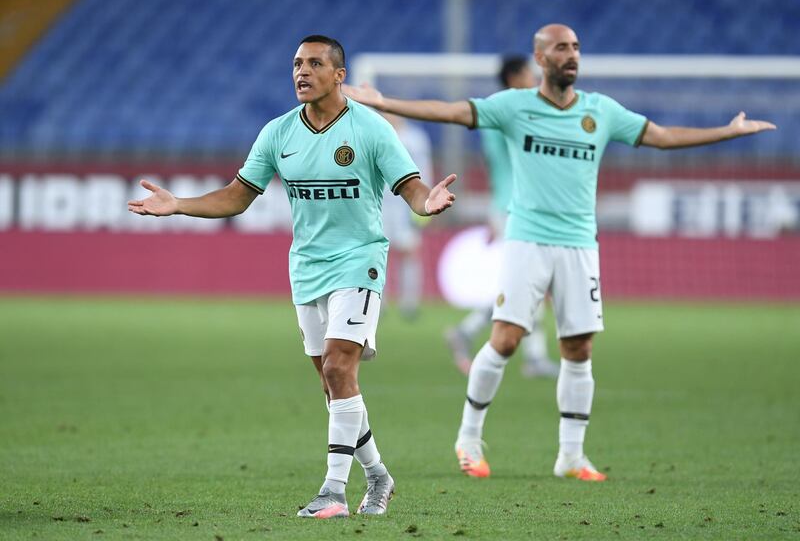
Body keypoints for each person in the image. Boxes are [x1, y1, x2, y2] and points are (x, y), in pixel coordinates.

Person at [344, 24, 775, 481]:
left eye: (575, 48)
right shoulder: (515, 106)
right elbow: (451, 112)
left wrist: (727, 132)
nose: (571, 55)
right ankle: (468, 438)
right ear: (539, 58)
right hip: (526, 239)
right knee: (507, 338)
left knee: (579, 346)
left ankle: (571, 455)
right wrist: (385, 103)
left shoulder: (599, 111)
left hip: (580, 245)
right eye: (561, 48)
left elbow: (663, 137)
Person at [128, 35, 457, 517]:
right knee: (332, 383)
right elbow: (237, 196)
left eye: (315, 63)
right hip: (306, 266)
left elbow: (410, 186)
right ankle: (379, 476)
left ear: (339, 75)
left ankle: (332, 493)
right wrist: (178, 204)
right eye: (297, 64)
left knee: (340, 367)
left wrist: (427, 202)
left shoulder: (371, 129)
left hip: (359, 260)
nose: (302, 72)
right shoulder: (278, 132)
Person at [445, 55, 559, 379]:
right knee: (531, 285)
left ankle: (472, 333)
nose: (534, 78)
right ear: (514, 77)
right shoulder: (511, 112)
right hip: (517, 209)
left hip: (507, 206)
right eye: (527, 73)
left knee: (530, 286)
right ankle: (475, 333)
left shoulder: (498, 113)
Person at [381, 114, 433, 319]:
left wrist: (427, 199)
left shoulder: (416, 138)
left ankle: (409, 303)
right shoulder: (379, 133)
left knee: (409, 252)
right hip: (381, 204)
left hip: (406, 203)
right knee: (379, 254)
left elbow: (424, 170)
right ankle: (379, 302)